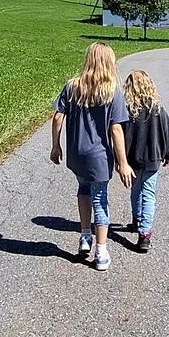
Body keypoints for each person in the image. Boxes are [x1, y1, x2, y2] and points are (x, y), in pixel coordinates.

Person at [50, 41, 131, 271]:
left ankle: (85, 235)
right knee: (100, 197)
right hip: (100, 157)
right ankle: (101, 251)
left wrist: (56, 146)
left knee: (83, 190)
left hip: (77, 154)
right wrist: (123, 162)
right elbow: (116, 129)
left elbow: (57, 117)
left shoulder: (72, 86)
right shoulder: (112, 91)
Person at [121, 69, 169, 253]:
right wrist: (167, 153)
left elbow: (122, 137)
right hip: (153, 158)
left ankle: (136, 219)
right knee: (149, 194)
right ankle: (144, 234)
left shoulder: (127, 112)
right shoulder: (159, 110)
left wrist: (121, 161)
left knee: (135, 190)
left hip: (132, 159)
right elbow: (167, 133)